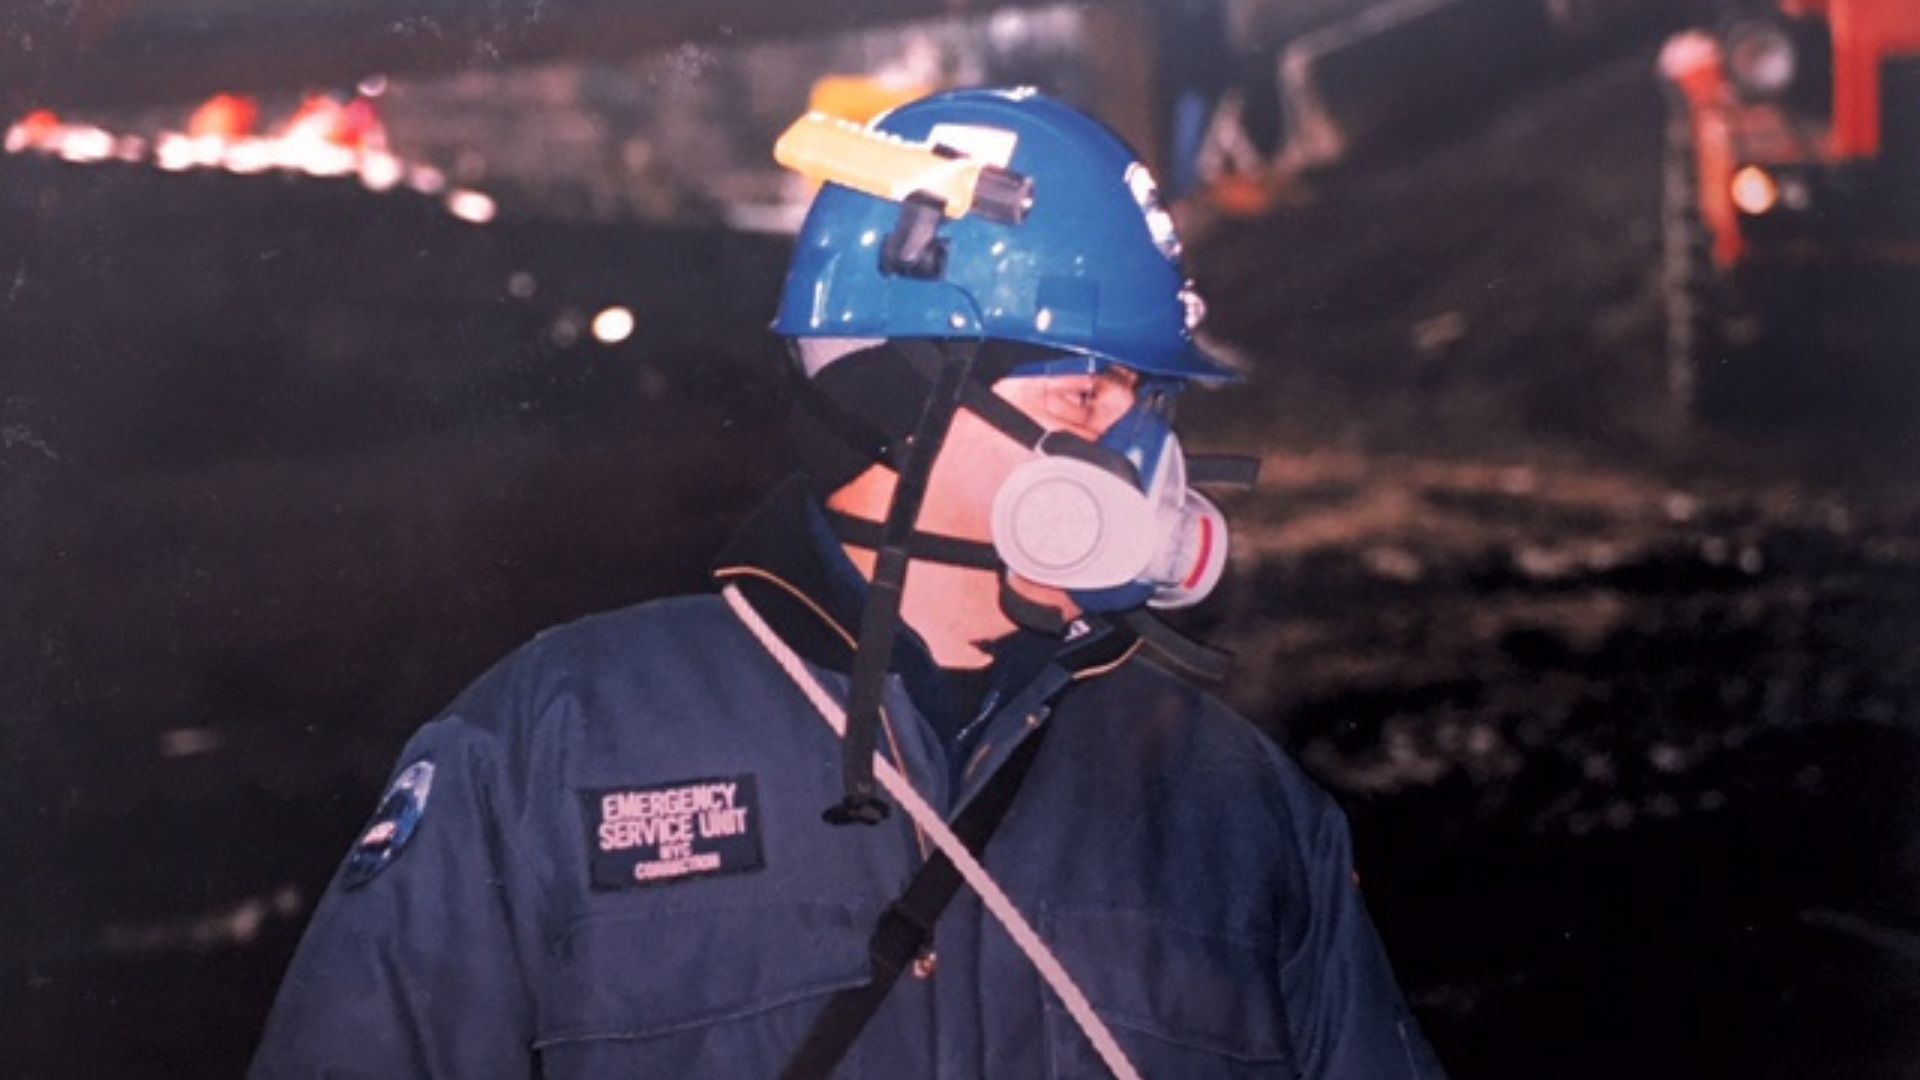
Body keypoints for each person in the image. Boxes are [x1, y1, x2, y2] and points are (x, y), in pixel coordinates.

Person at [250, 88, 1445, 1079]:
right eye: (1089, 397)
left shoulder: (1238, 806)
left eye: (1151, 403)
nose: (1142, 459)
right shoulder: (549, 750)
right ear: (906, 389)